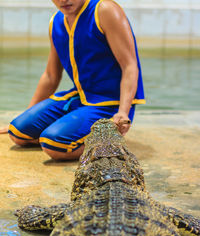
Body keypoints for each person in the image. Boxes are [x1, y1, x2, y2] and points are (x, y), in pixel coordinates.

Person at [3, 0, 145, 160]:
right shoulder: (56, 22)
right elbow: (51, 75)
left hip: (111, 103)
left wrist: (123, 112)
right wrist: (27, 115)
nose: (64, 0)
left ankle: (110, 142)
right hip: (80, 97)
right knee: (17, 132)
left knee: (54, 146)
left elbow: (130, 66)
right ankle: (75, 134)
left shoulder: (104, 11)